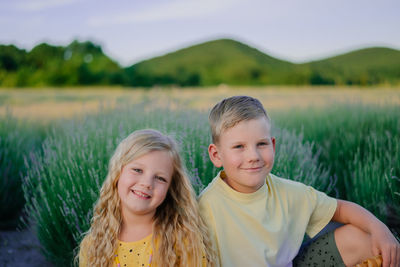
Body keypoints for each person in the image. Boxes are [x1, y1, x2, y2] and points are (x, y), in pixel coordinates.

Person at [198, 96, 400, 267]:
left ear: (273, 145)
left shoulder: (289, 192)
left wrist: (381, 230)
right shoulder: (207, 206)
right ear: (216, 155)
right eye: (239, 147)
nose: (253, 156)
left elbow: (340, 210)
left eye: (261, 143)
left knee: (365, 238)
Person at [78, 129, 216, 266]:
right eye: (137, 170)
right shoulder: (94, 245)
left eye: (160, 178)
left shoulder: (183, 242)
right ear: (117, 173)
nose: (147, 183)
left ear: (170, 188)